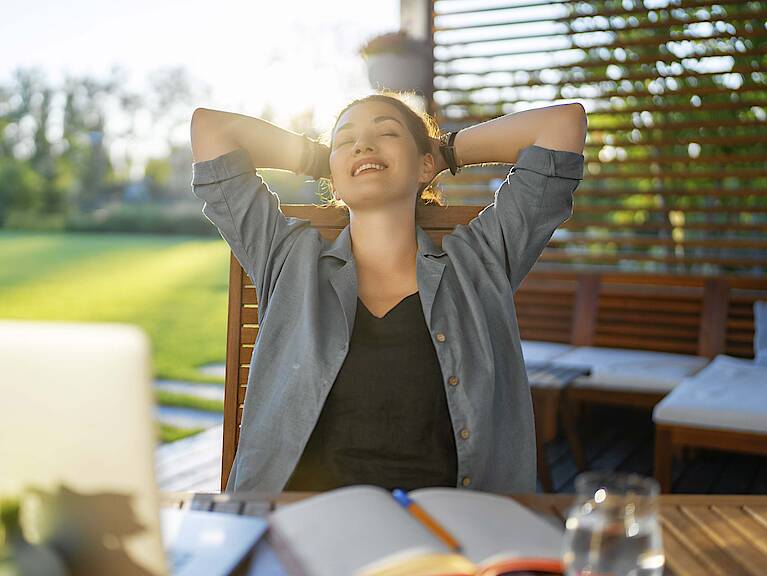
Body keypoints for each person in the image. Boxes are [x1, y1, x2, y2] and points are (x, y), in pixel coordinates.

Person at [190, 93, 587, 493]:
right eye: (346, 139)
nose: (363, 144)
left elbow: (562, 126)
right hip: (303, 526)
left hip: (450, 530)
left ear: (424, 164)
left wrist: (445, 151)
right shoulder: (287, 259)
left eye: (387, 132)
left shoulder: (480, 263)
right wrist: (322, 160)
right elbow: (211, 129)